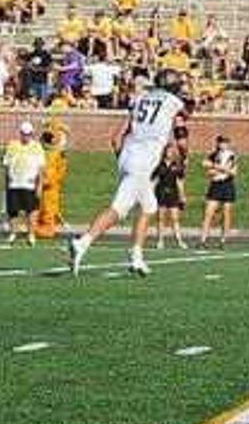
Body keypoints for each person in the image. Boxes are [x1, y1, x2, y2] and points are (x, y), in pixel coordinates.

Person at [67, 71, 185, 277]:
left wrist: (126, 162)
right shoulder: (173, 102)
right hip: (143, 160)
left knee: (149, 205)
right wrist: (182, 153)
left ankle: (136, 257)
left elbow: (116, 137)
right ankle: (82, 242)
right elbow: (181, 135)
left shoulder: (141, 99)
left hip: (128, 153)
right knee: (119, 209)